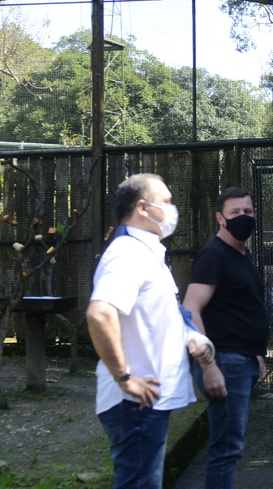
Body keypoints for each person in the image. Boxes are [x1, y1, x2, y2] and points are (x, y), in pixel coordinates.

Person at [86, 174, 212, 489]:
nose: (172, 208)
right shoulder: (128, 253)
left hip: (147, 403)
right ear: (143, 207)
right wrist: (124, 377)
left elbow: (162, 316)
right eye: (167, 202)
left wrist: (193, 338)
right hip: (136, 404)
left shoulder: (149, 254)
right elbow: (100, 314)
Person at [182, 187, 269, 489]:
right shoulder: (213, 255)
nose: (243, 218)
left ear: (255, 214)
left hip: (242, 360)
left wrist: (256, 353)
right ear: (220, 218)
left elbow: (240, 309)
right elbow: (191, 310)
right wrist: (208, 366)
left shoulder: (242, 256)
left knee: (231, 445)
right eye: (235, 213)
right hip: (224, 362)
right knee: (226, 447)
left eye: (248, 212)